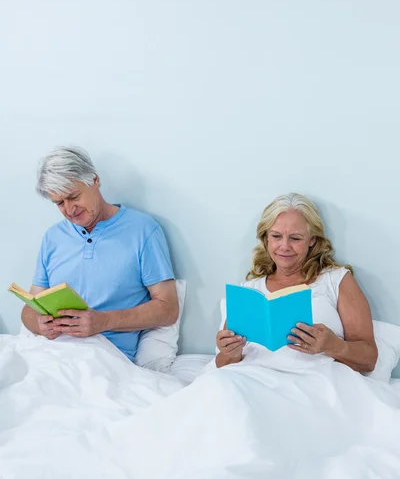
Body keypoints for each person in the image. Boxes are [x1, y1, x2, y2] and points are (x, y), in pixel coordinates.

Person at [21, 146, 178, 361]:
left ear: (94, 180)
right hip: (52, 353)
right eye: (59, 203)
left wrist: (103, 321)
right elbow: (29, 309)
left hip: (103, 358)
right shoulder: (53, 237)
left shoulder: (143, 231)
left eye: (73, 196)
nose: (69, 209)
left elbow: (168, 309)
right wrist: (39, 324)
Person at [216, 193, 378, 373]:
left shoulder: (336, 280)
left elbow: (369, 359)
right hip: (254, 378)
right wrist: (230, 352)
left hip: (314, 381)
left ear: (312, 240)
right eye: (276, 236)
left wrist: (333, 346)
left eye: (295, 238)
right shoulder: (249, 291)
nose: (284, 246)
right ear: (266, 239)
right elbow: (223, 365)